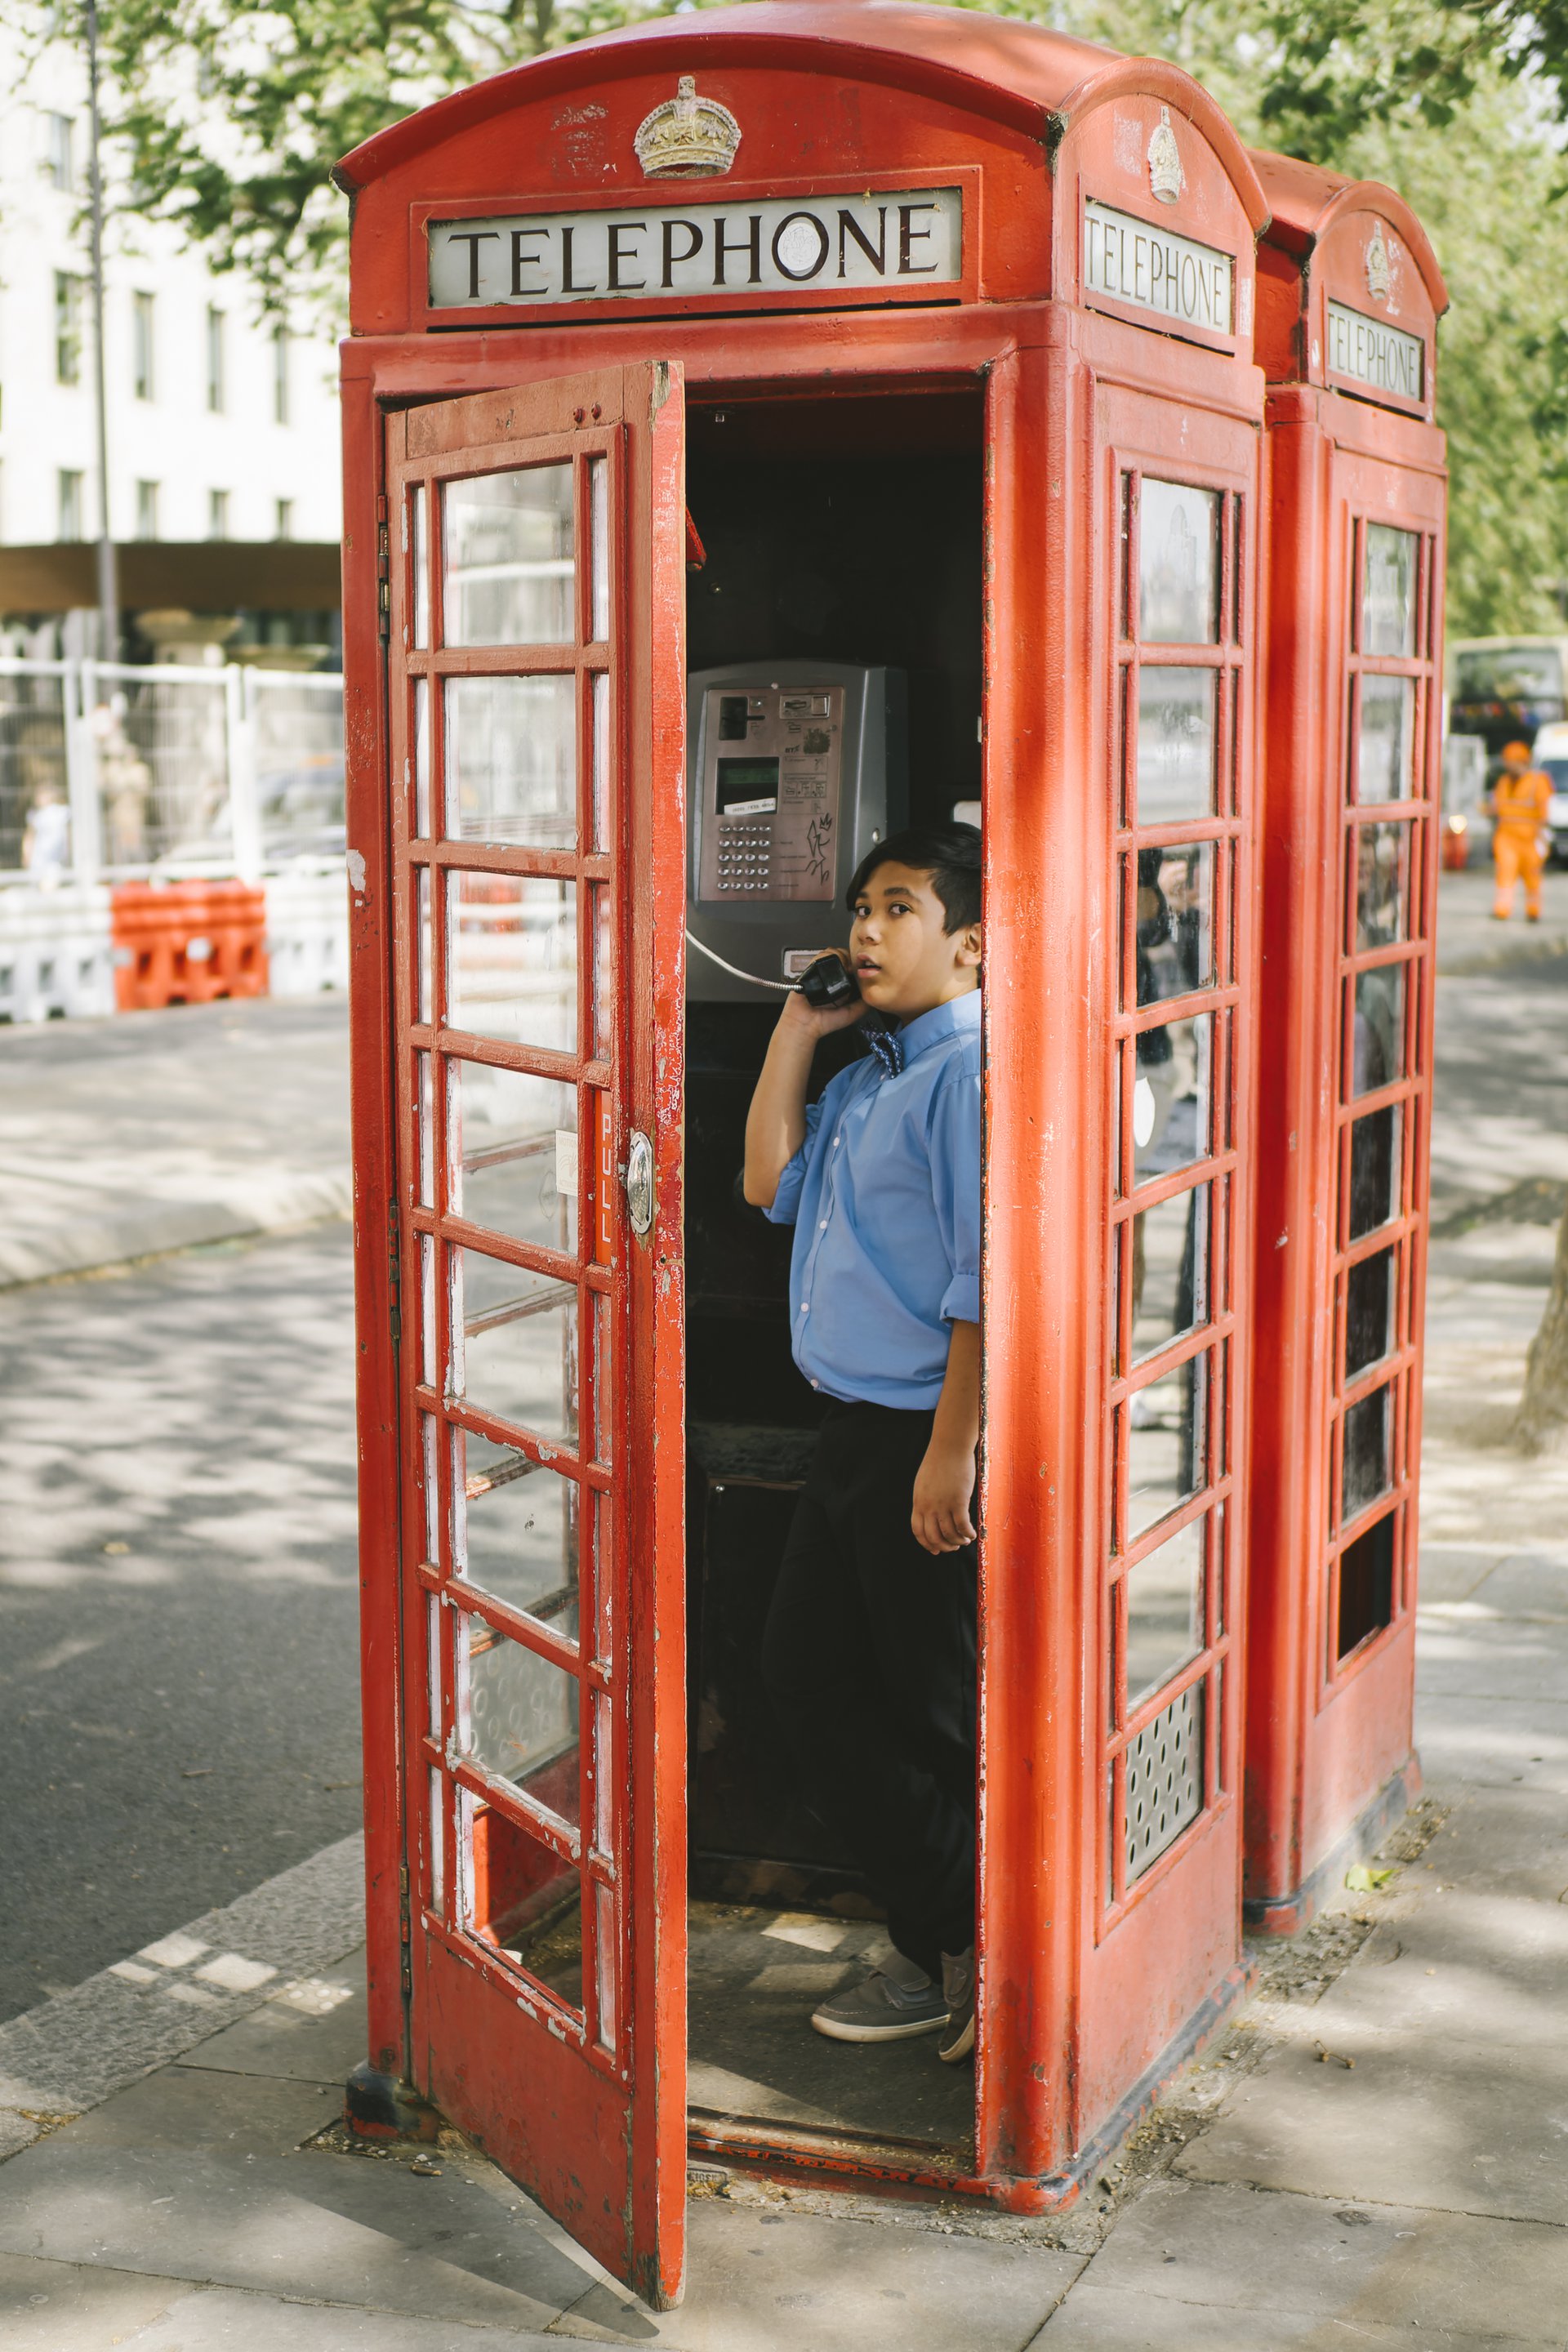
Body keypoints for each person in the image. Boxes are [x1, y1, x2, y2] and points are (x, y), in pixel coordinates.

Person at [743, 822, 982, 2066]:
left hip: (918, 1437)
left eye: (899, 908)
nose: (868, 930)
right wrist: (796, 1033)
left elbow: (983, 1277)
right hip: (849, 1430)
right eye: (859, 910)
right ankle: (953, 1926)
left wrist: (954, 1447)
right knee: (806, 1680)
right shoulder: (873, 1071)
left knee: (940, 1710)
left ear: (972, 944)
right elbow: (763, 1183)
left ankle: (965, 1940)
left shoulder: (966, 1076)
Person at [1488, 741, 1551, 922]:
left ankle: (1533, 910)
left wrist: (1542, 838)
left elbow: (1544, 813)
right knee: (1505, 873)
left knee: (1532, 876)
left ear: (1524, 762)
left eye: (1512, 762)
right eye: (1507, 762)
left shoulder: (1538, 782)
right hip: (1506, 837)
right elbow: (1497, 807)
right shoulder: (1504, 782)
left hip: (1531, 838)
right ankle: (1502, 909)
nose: (1509, 766)